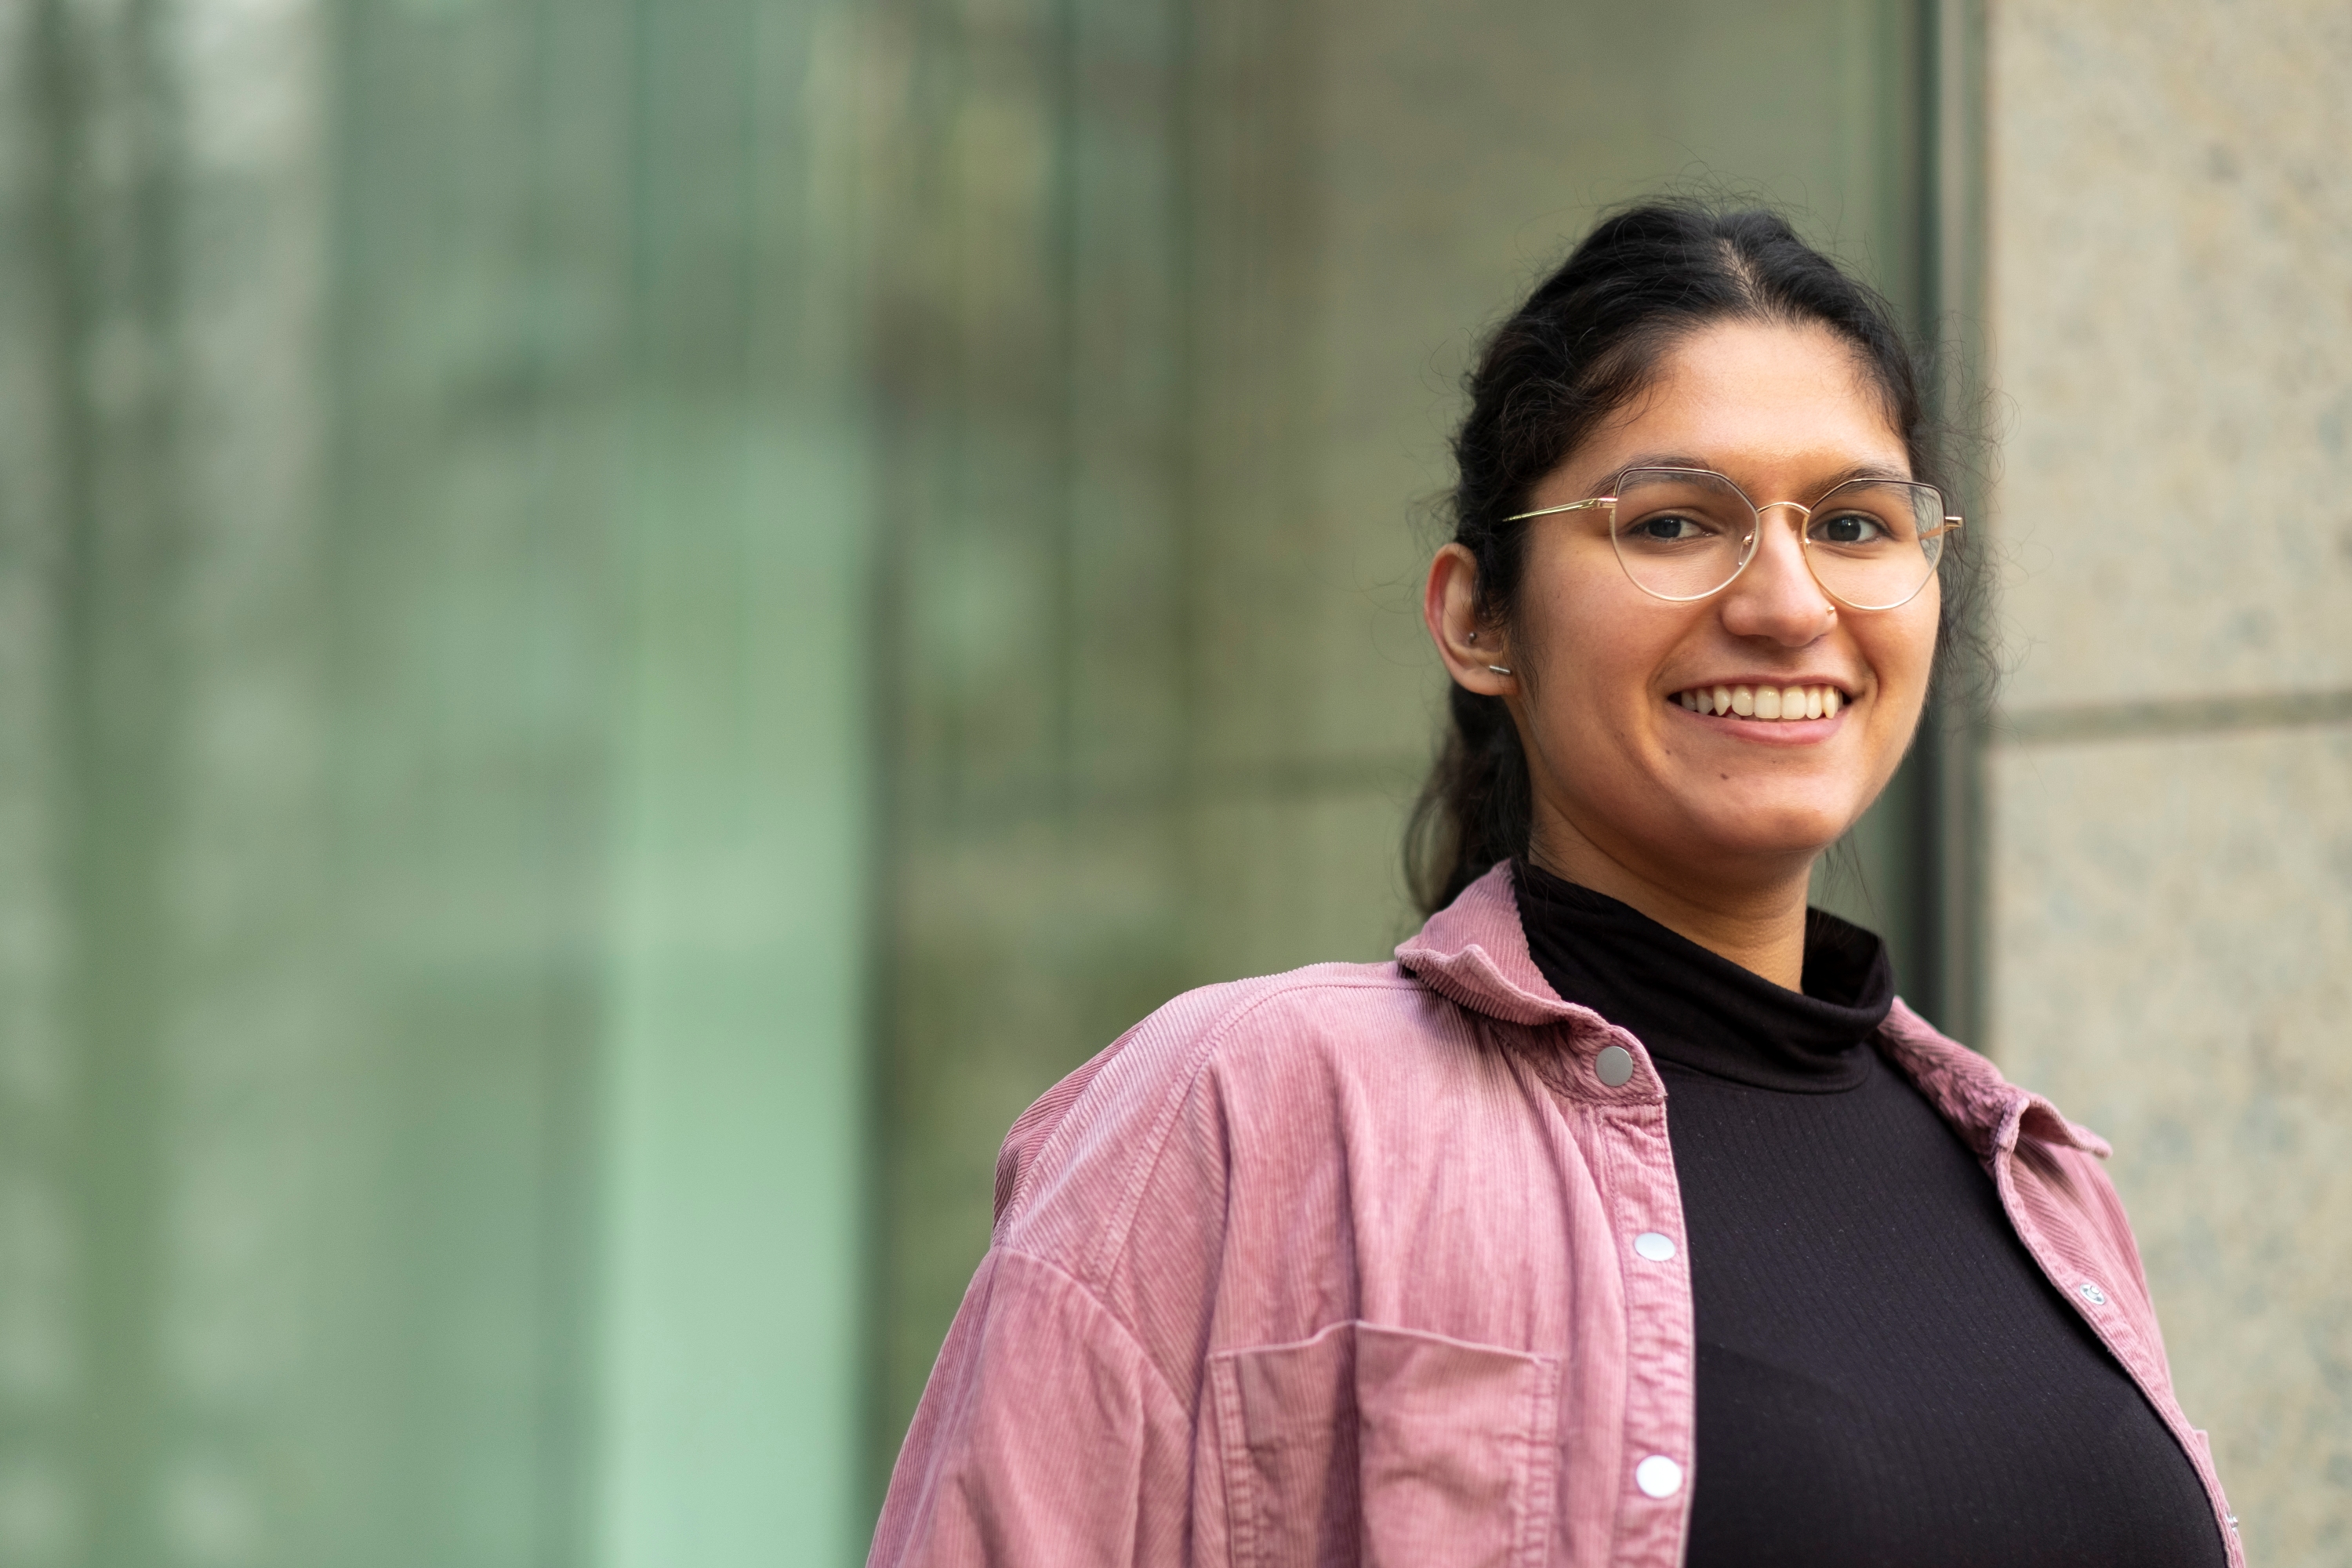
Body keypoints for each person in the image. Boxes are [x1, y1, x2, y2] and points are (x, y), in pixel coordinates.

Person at [868, 204, 2239, 1567]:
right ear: (1479, 618)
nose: (1787, 602)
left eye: (1855, 523)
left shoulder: (2044, 1190)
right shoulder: (1241, 1109)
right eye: (1670, 523)